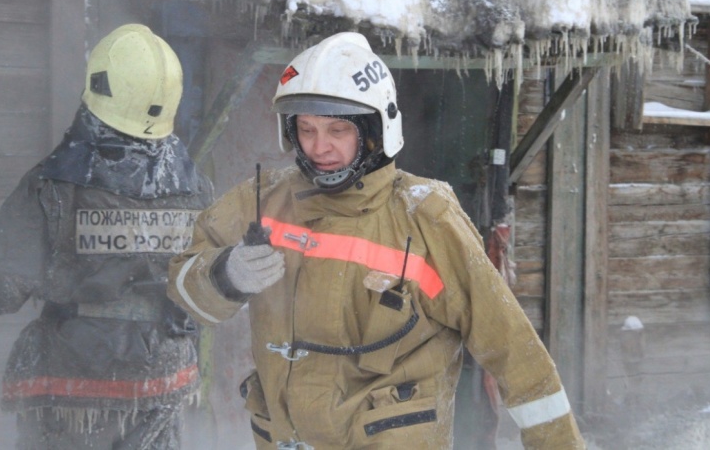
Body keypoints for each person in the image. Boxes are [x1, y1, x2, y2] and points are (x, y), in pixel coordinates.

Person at [168, 32, 585, 449]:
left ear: (374, 130)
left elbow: (510, 344)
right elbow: (183, 287)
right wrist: (224, 275)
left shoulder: (426, 217)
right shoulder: (260, 202)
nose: (319, 147)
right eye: (307, 129)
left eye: (337, 129)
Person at [0, 24, 215, 449]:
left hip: (72, 380)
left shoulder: (53, 187)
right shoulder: (196, 188)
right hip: (163, 379)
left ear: (98, 87)